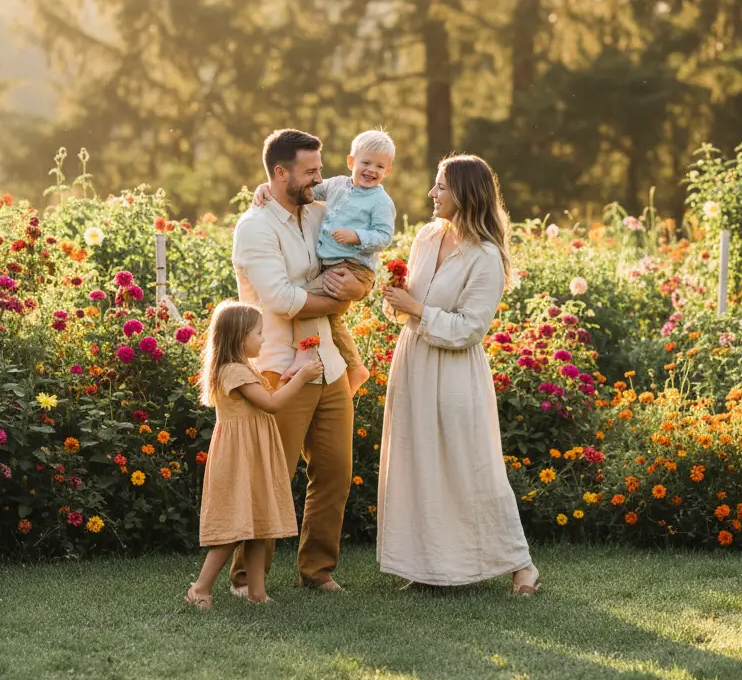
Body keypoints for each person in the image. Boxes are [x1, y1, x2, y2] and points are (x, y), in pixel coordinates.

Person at [379, 154, 541, 594]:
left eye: (441, 188)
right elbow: (411, 303)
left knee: (472, 465)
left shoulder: (485, 257)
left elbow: (470, 328)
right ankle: (430, 567)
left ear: (465, 194)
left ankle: (521, 565)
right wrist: (394, 296)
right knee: (419, 462)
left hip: (453, 371)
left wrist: (416, 308)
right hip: (413, 362)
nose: (433, 194)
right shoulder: (427, 237)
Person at [229, 128, 372, 594]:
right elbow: (281, 300)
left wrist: (360, 286)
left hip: (327, 362)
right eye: (310, 170)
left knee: (333, 473)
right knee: (272, 475)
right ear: (280, 172)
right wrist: (334, 297)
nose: (319, 177)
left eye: (319, 168)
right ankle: (246, 577)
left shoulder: (319, 214)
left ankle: (318, 572)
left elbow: (359, 266)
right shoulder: (254, 228)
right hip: (277, 366)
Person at [185, 300, 324, 608]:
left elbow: (265, 398)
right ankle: (200, 588)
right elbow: (272, 405)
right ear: (239, 337)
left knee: (258, 525)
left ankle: (257, 592)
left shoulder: (244, 369)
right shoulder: (233, 371)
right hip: (240, 458)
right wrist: (301, 379)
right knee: (234, 529)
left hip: (252, 454)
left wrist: (286, 381)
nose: (263, 339)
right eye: (258, 333)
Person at [253, 129, 397, 393]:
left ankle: (304, 354)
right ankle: (355, 366)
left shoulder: (380, 201)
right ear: (351, 161)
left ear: (388, 170)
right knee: (332, 319)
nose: (371, 170)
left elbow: (385, 236)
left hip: (353, 266)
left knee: (304, 299)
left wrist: (357, 236)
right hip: (334, 267)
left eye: (379, 166)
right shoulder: (337, 186)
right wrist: (267, 187)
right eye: (366, 163)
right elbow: (310, 191)